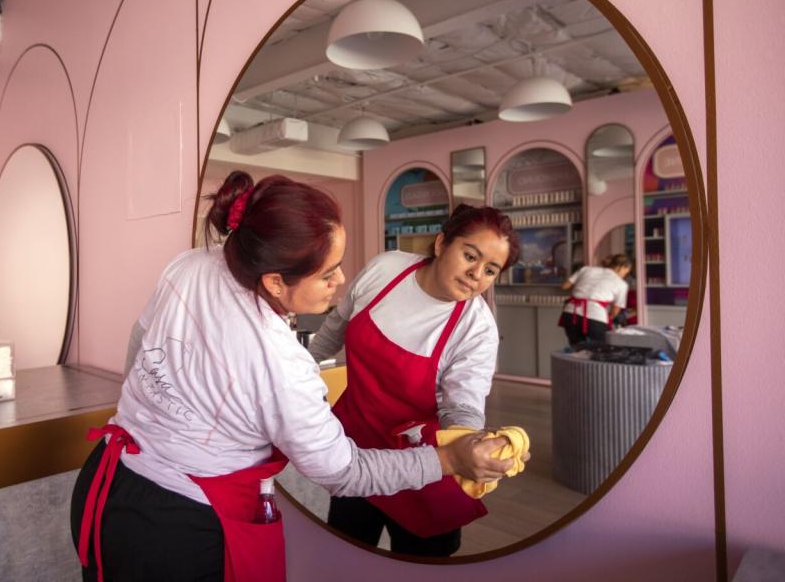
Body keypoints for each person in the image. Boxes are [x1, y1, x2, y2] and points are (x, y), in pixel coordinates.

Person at [69, 172, 517, 582]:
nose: (341, 280)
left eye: (491, 269)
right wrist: (449, 461)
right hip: (178, 528)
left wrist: (159, 412)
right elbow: (343, 470)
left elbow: (141, 344)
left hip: (109, 482)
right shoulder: (284, 360)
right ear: (276, 282)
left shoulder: (191, 264)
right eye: (327, 273)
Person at [307, 203, 523, 557]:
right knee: (344, 554)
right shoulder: (385, 269)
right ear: (441, 244)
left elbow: (463, 404)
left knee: (421, 562)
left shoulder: (476, 329)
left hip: (426, 466)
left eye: (490, 270)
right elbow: (335, 329)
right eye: (470, 255)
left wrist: (472, 444)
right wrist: (297, 369)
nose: (476, 275)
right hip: (355, 449)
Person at [558, 253, 632, 346]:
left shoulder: (586, 269)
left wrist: (582, 290)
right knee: (600, 352)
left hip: (570, 314)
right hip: (595, 317)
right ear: (622, 267)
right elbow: (614, 312)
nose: (625, 275)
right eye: (626, 272)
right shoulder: (621, 284)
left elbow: (564, 286)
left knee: (576, 350)